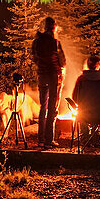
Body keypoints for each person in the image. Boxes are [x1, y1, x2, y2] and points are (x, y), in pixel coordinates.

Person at [30, 16, 66, 148]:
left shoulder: (37, 41)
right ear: (54, 27)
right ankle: (48, 140)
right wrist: (60, 72)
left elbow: (34, 57)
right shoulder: (55, 42)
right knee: (52, 108)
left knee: (42, 107)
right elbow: (61, 60)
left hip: (42, 75)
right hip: (53, 76)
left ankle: (40, 139)